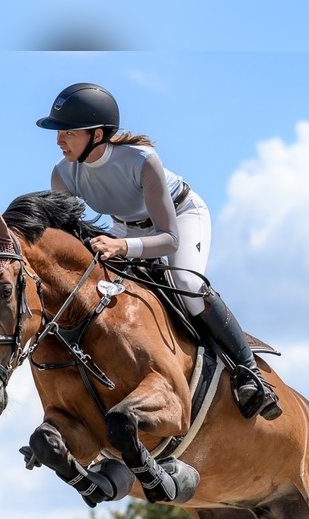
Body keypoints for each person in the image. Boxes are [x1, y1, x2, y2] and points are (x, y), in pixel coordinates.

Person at [36, 82, 281, 421]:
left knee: (187, 286)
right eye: (59, 132)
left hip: (180, 218)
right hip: (124, 227)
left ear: (97, 134)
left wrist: (121, 246)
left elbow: (169, 239)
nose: (59, 140)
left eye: (68, 132)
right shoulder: (62, 175)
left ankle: (248, 372)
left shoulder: (141, 160)